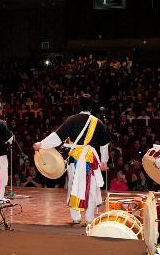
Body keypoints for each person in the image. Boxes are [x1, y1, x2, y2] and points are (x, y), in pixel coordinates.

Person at [33, 94, 110, 225]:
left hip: (75, 159)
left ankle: (75, 217)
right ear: (91, 106)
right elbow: (104, 146)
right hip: (91, 160)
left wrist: (41, 144)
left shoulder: (72, 119)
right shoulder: (98, 122)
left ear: (78, 105)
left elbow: (57, 137)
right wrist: (104, 161)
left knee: (73, 186)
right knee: (91, 188)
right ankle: (90, 218)